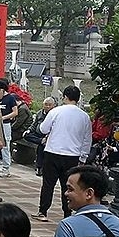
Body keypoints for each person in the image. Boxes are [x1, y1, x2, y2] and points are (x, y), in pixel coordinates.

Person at [35, 86, 92, 222]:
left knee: (48, 184)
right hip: (72, 155)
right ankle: (67, 213)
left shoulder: (56, 111)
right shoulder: (84, 116)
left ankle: (43, 211)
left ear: (64, 97)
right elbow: (87, 139)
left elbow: (43, 129)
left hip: (53, 151)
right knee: (68, 185)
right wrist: (83, 157)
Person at [23, 98, 56, 177]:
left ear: (53, 106)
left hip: (48, 135)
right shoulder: (39, 113)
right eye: (46, 104)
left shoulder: (54, 114)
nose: (47, 106)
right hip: (38, 135)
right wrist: (29, 130)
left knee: (41, 147)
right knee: (26, 135)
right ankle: (41, 141)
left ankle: (39, 166)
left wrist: (47, 136)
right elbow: (34, 125)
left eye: (49, 105)